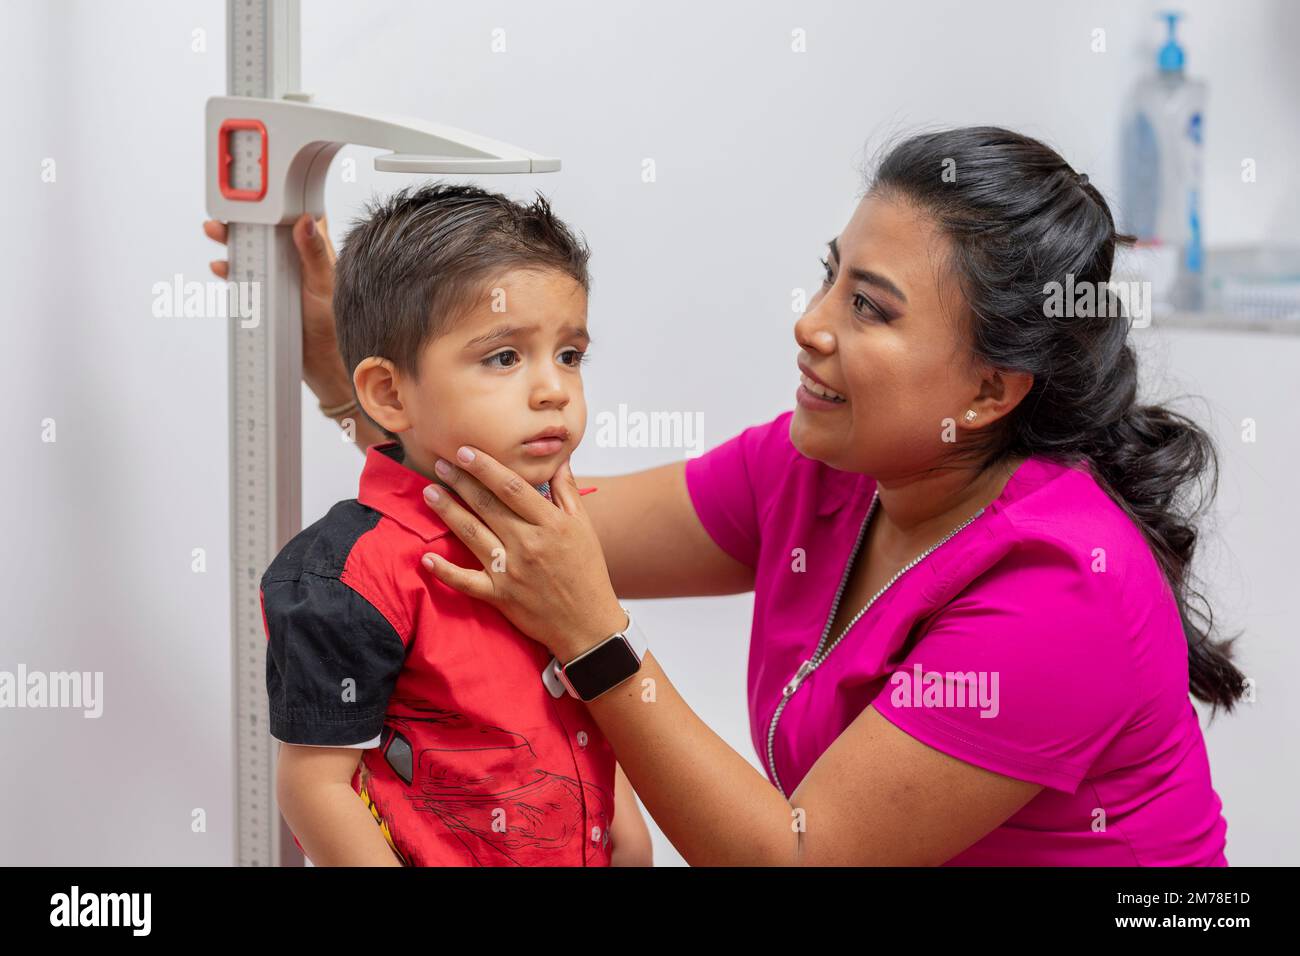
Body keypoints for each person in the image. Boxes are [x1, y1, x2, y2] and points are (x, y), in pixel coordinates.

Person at [208, 126, 1244, 865]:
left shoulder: (1063, 591)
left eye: (869, 307)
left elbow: (796, 857)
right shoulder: (824, 472)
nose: (810, 323)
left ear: (987, 390)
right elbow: (503, 531)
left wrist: (595, 637)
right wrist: (359, 373)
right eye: (831, 274)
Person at [256, 182, 652, 866]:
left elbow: (585, 698)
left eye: (569, 355)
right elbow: (315, 785)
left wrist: (627, 837)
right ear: (387, 393)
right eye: (504, 357)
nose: (555, 387)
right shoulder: (350, 576)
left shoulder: (559, 528)